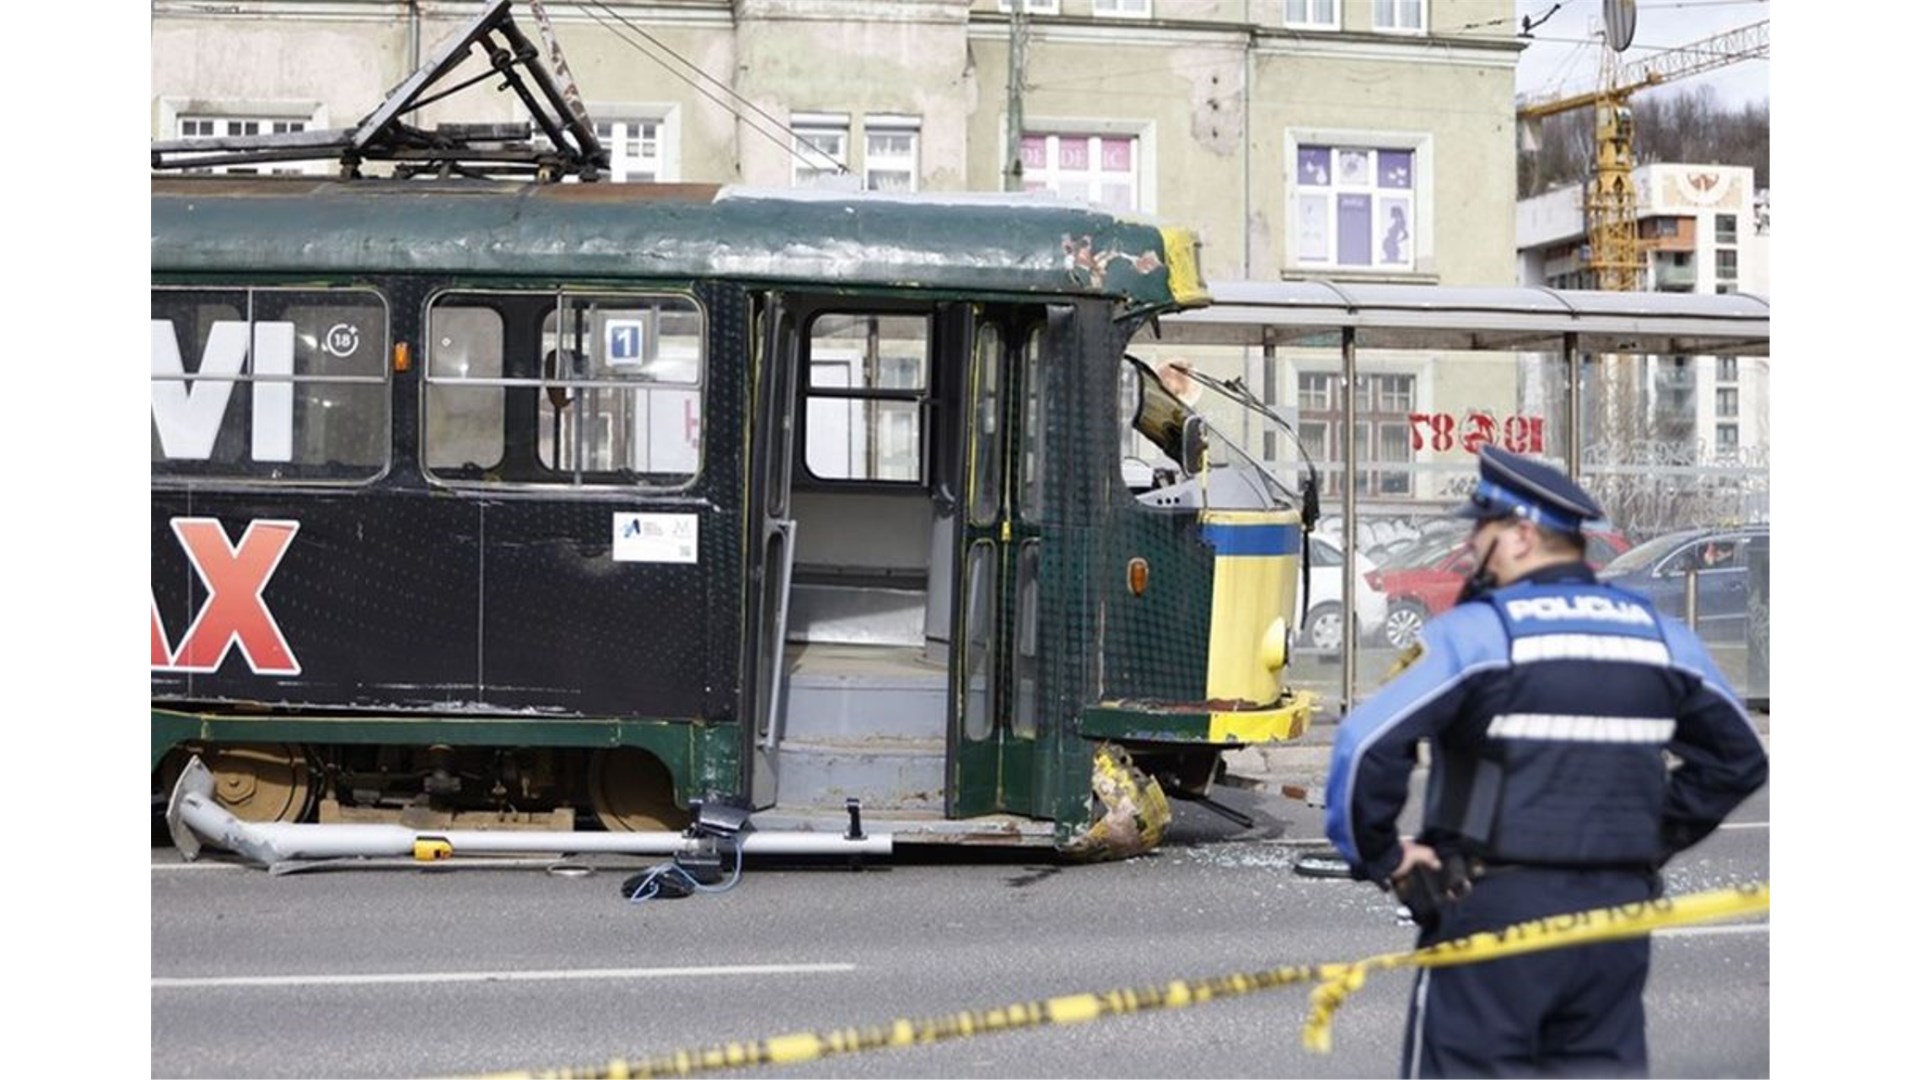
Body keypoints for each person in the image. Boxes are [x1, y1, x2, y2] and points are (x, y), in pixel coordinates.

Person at [1323, 447, 1768, 1078]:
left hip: (1491, 914)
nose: (1473, 546)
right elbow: (1739, 757)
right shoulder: (1661, 637)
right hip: (1615, 920)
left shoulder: (1480, 633)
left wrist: (1384, 857)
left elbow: (1364, 744)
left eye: (1483, 530)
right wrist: (1648, 837)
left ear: (1522, 536)